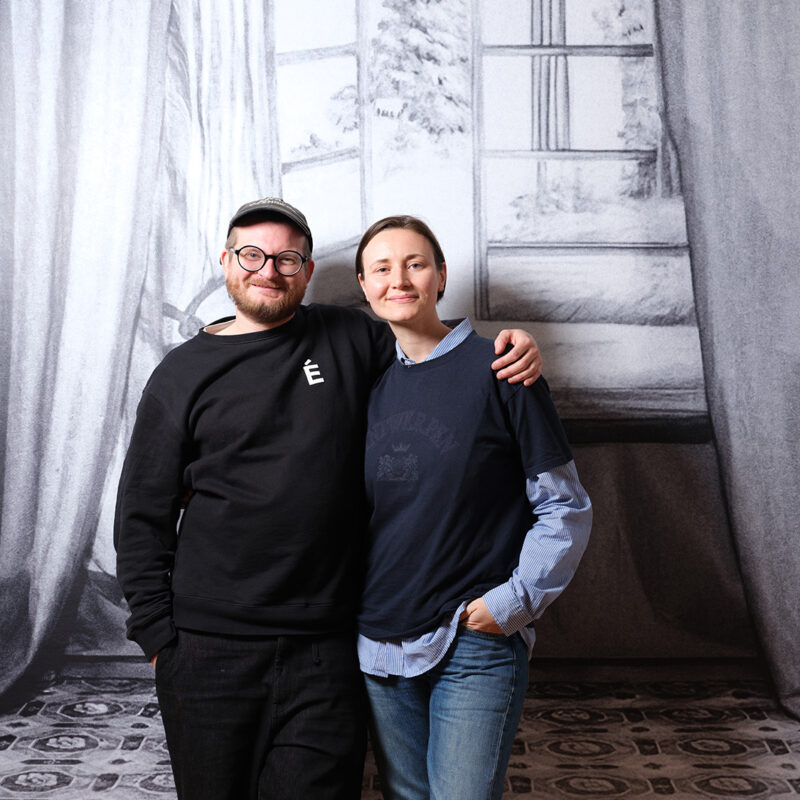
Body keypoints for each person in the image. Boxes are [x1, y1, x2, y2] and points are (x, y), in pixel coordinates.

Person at [114, 197, 543, 800]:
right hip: (208, 647)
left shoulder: (348, 337)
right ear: (226, 262)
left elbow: (428, 346)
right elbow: (142, 515)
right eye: (251, 255)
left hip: (328, 648)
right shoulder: (181, 373)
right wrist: (159, 639)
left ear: (308, 271)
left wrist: (506, 345)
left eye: (287, 259)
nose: (268, 270)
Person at [354, 215, 593, 800]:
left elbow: (563, 506)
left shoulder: (502, 367)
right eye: (381, 268)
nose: (398, 279)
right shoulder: (367, 386)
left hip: (472, 640)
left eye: (414, 264)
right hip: (378, 645)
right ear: (363, 286)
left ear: (440, 275)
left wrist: (513, 603)